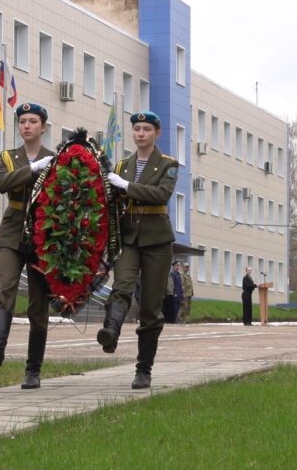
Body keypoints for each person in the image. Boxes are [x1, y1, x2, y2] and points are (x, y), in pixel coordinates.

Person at [95, 111, 179, 389]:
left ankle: (143, 368)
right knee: (122, 285)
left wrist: (127, 186)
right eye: (137, 129)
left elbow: (161, 195)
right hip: (129, 235)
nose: (141, 134)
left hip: (156, 240)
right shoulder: (121, 165)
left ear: (157, 133)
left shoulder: (168, 164)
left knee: (151, 307)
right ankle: (111, 331)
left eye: (146, 129)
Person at [0, 103, 55, 390]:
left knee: (38, 301)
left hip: (42, 231)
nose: (26, 126)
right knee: (6, 284)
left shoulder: (56, 158)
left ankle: (33, 369)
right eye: (22, 121)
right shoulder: (9, 157)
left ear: (43, 127)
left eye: (33, 121)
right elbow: (1, 182)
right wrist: (33, 169)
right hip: (12, 228)